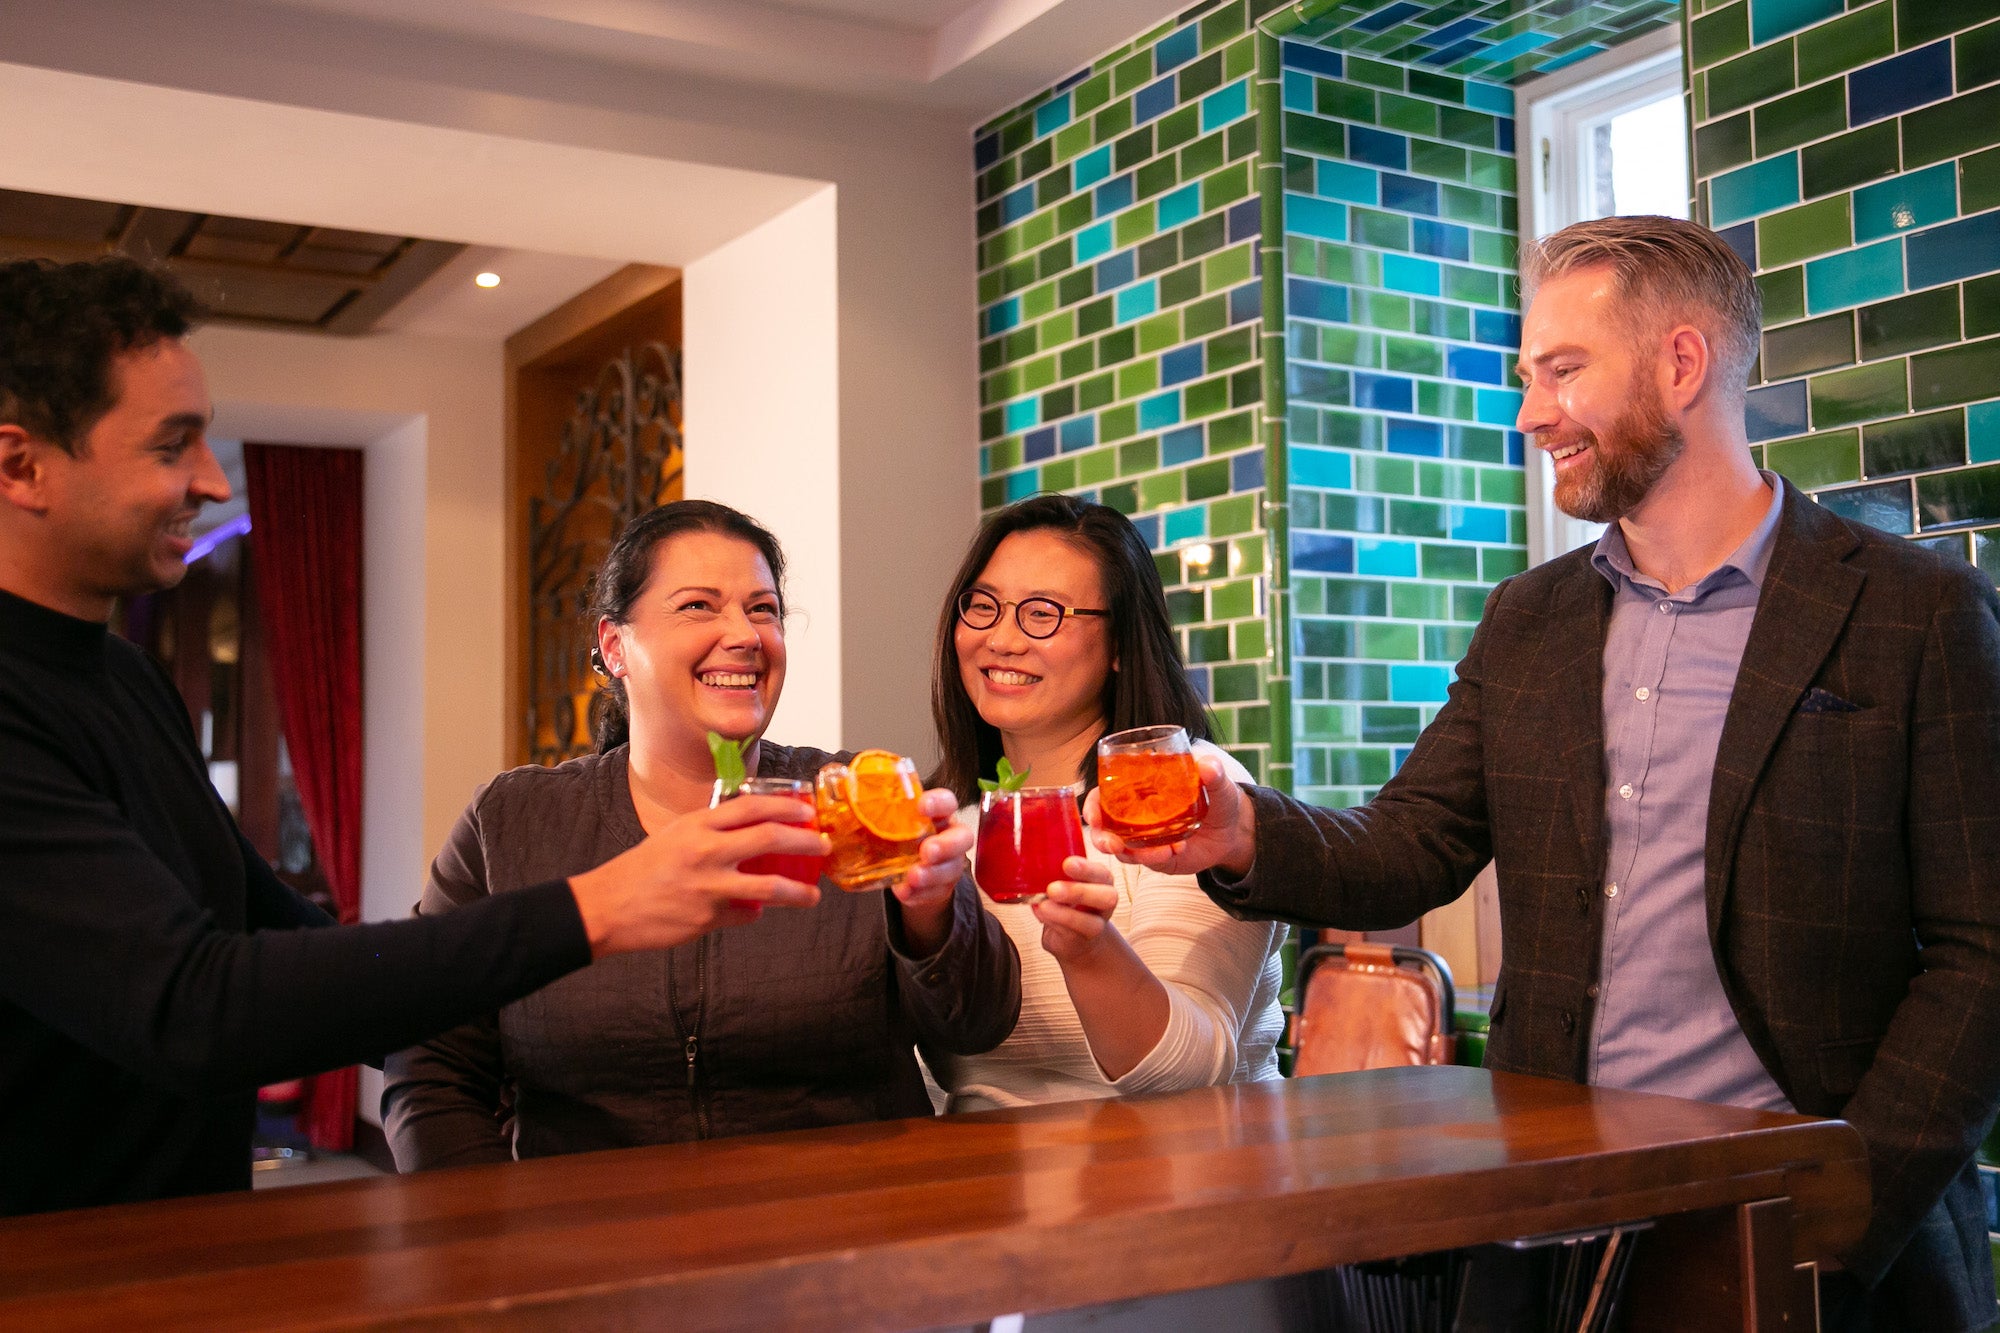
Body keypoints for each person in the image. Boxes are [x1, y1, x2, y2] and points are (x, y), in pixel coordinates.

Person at [1089, 216, 2000, 1330]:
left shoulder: (1914, 611)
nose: (1529, 414)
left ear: (1679, 364)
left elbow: (1981, 955)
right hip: (1551, 1230)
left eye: (1562, 372)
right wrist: (1241, 831)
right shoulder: (1530, 619)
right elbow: (1408, 840)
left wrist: (1840, 1204)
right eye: (1527, 377)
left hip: (1799, 1238)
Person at [0, 257, 829, 1216]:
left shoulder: (123, 676)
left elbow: (261, 921)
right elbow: (197, 1004)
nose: (211, 478)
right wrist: (599, 907)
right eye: (171, 444)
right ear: (20, 464)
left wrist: (521, 1018)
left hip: (177, 1250)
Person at [381, 501, 1020, 1165]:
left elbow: (978, 1024)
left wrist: (933, 916)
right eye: (698, 606)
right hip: (590, 1239)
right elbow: (431, 1065)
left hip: (842, 1233)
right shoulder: (512, 822)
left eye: (763, 609)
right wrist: (485, 1232)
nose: (744, 634)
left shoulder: (860, 798)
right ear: (614, 646)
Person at [923, 494, 1285, 1109]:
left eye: (1043, 613)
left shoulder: (1187, 794)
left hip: (1188, 1182)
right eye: (983, 607)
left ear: (1120, 644)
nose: (1001, 639)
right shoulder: (957, 824)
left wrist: (1088, 950)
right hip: (985, 1189)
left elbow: (1194, 1069)